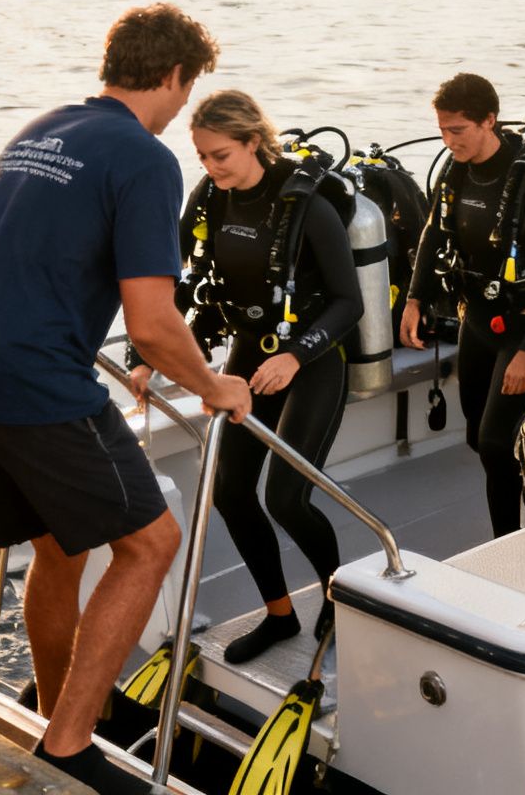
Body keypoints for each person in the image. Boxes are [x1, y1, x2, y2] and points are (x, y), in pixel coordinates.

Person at [0, 4, 251, 794]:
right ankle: (70, 745)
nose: (181, 111)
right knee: (151, 544)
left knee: (58, 546)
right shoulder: (144, 159)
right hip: (34, 377)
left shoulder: (42, 129)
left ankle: (60, 710)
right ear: (173, 76)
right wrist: (215, 386)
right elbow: (151, 323)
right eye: (186, 92)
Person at [169, 90, 361, 665]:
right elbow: (174, 276)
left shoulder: (307, 206)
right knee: (229, 491)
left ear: (254, 142)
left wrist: (296, 356)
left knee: (286, 496)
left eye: (220, 155)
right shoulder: (211, 198)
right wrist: (153, 347)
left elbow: (349, 303)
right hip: (248, 359)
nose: (210, 167)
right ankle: (280, 615)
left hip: (312, 361)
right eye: (201, 156)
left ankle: (339, 595)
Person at [398, 73, 525, 538]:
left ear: (489, 121)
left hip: (522, 329)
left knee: (496, 443)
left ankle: (509, 543)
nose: (448, 140)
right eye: (442, 130)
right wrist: (414, 298)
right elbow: (433, 234)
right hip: (475, 323)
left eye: (457, 130)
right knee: (478, 437)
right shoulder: (456, 172)